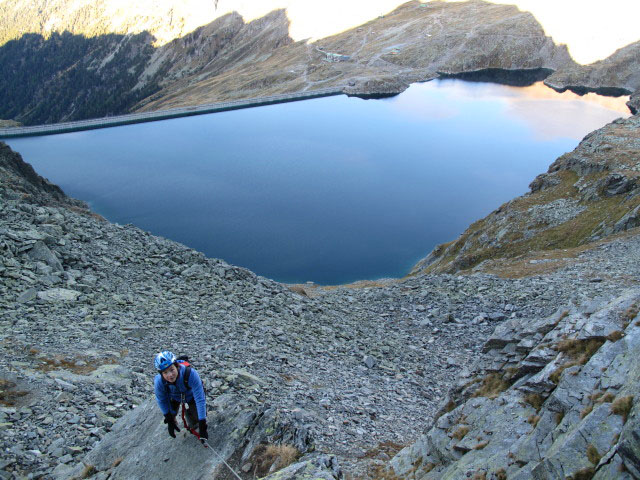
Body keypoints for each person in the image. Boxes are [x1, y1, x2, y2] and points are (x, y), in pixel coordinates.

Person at [154, 351, 208, 442]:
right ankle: (176, 419)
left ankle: (193, 420)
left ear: (177, 366)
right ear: (161, 374)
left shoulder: (190, 374)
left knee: (197, 418)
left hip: (191, 396)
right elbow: (161, 400)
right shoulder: (159, 382)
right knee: (170, 415)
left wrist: (202, 423)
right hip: (174, 397)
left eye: (171, 369)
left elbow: (200, 399)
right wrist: (169, 418)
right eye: (165, 372)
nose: (170, 375)